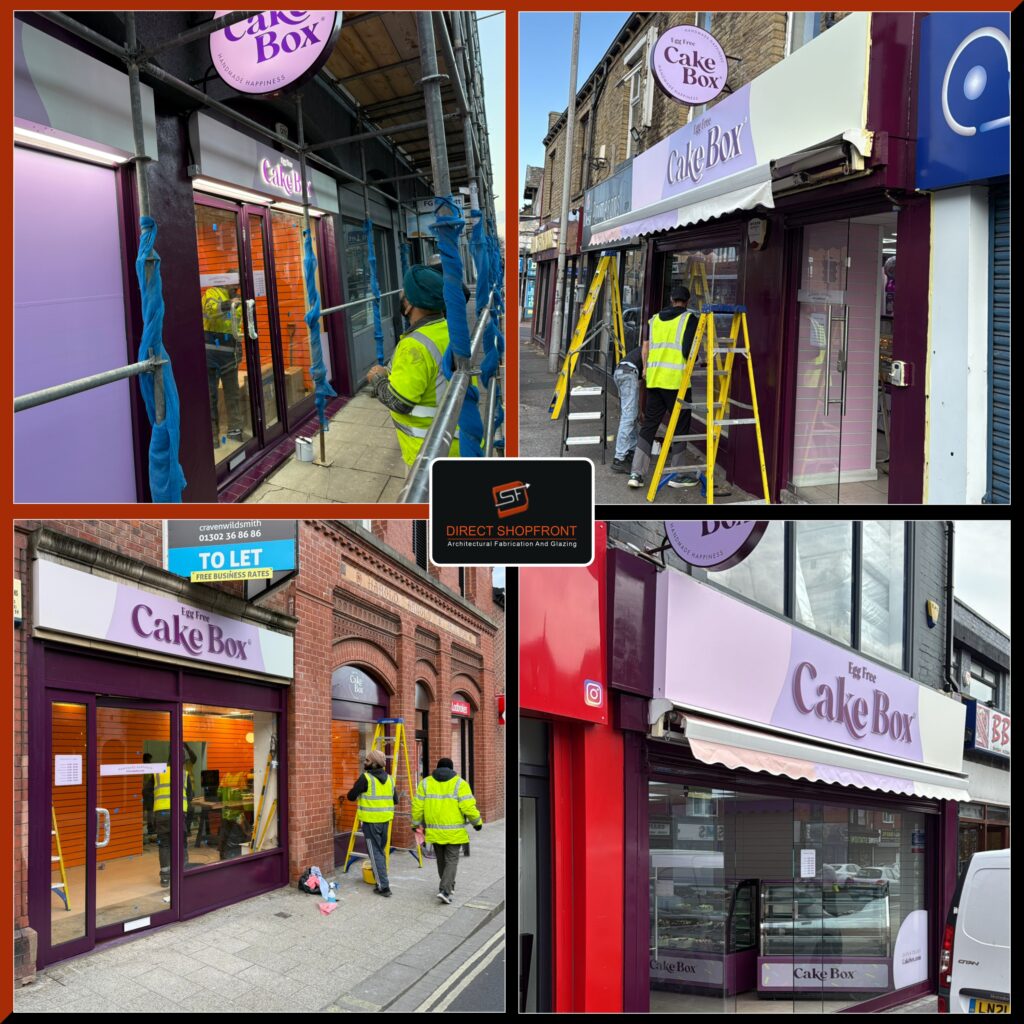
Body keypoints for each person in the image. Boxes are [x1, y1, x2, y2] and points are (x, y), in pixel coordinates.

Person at [366, 264, 465, 472]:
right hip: (456, 443)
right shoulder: (448, 329)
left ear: (410, 304)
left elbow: (399, 402)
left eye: (404, 291)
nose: (401, 295)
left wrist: (378, 379)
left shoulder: (414, 346)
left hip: (430, 452)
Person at [628, 286, 701, 490]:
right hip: (676, 382)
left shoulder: (655, 320)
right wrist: (701, 361)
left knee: (650, 425)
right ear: (687, 301)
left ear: (671, 299)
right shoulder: (689, 319)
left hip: (655, 379)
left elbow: (648, 347)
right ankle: (677, 474)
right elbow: (688, 350)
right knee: (680, 426)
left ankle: (636, 473)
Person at [411, 757, 482, 905]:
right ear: (451, 769)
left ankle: (448, 886)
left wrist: (416, 823)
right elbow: (468, 806)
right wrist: (477, 822)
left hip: (435, 831)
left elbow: (417, 806)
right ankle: (445, 890)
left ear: (437, 768)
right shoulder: (460, 784)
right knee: (451, 861)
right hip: (454, 832)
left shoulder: (425, 783)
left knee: (442, 861)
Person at [346, 749, 396, 897]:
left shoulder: (365, 778)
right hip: (385, 821)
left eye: (367, 760)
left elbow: (351, 796)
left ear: (374, 763)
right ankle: (379, 880)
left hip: (370, 822)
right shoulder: (390, 779)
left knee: (375, 854)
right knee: (379, 851)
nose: (364, 762)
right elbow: (396, 800)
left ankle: (383, 887)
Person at [203, 282, 245, 448]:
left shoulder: (239, 299)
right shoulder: (212, 292)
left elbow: (238, 326)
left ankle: (235, 431)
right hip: (211, 354)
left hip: (229, 354)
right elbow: (211, 310)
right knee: (211, 395)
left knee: (232, 393)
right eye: (234, 282)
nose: (236, 286)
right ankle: (212, 435)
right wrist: (231, 304)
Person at [153, 744, 196, 888]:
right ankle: (183, 873)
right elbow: (190, 796)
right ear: (183, 761)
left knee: (164, 843)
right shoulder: (184, 774)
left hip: (162, 813)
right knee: (181, 842)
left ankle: (165, 877)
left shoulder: (158, 772)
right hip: (179, 814)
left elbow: (146, 792)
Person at [611, 344, 643, 473]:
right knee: (629, 418)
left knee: (631, 415)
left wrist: (639, 409)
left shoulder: (641, 350)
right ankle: (620, 458)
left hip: (621, 371)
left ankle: (631, 450)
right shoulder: (654, 348)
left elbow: (640, 384)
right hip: (628, 373)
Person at [141, 752, 155, 843]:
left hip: (145, 792)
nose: (150, 762)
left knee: (146, 811)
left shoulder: (145, 768)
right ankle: (150, 829)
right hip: (147, 792)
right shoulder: (146, 768)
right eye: (149, 760)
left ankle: (148, 829)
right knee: (149, 811)